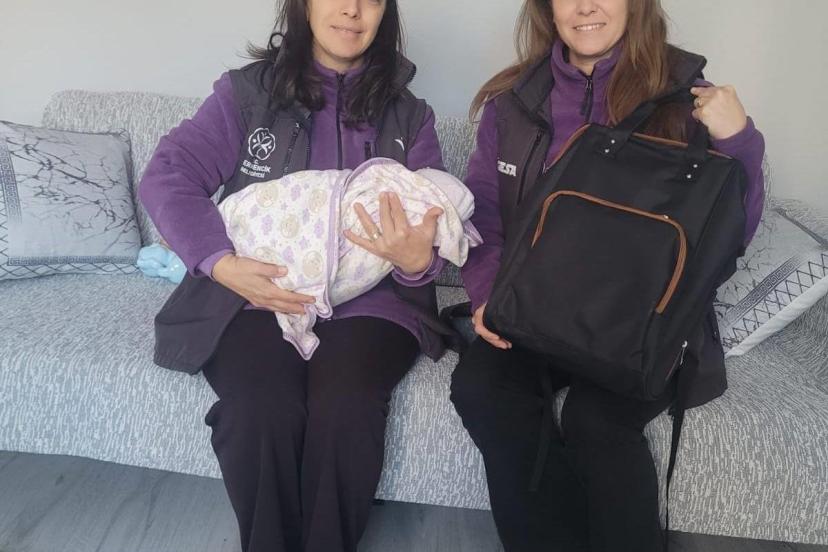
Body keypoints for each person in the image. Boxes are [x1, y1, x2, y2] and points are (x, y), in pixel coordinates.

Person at [449, 1, 766, 551]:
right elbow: (484, 218)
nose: (586, 6)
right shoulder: (514, 102)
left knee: (596, 423)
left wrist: (740, 141)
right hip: (537, 307)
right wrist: (485, 296)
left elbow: (731, 236)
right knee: (482, 389)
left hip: (645, 320)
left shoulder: (687, 95)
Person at [138, 1, 450, 550]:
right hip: (257, 292)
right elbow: (168, 175)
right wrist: (221, 262)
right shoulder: (246, 94)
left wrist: (417, 261)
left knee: (347, 406)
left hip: (370, 302)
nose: (351, 9)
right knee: (259, 410)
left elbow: (439, 228)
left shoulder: (410, 115)